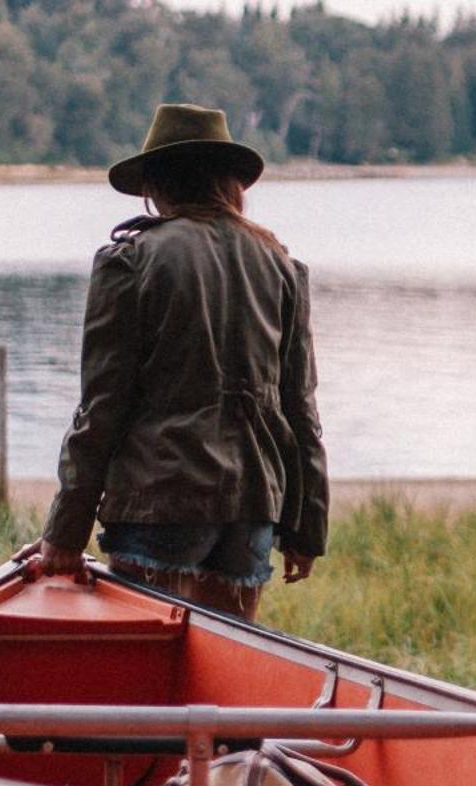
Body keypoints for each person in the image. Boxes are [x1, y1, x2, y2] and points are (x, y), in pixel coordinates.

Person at [29, 103, 328, 620]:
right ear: (231, 183)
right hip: (252, 509)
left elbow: (102, 408)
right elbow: (299, 409)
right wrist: (306, 528)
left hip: (159, 502)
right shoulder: (280, 264)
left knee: (146, 682)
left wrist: (65, 532)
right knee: (221, 681)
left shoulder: (131, 261)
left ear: (157, 184)